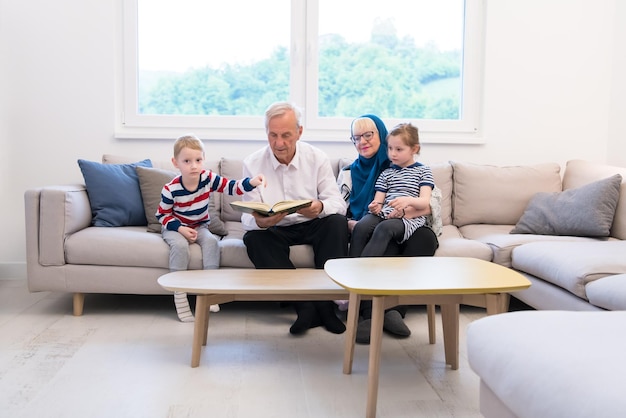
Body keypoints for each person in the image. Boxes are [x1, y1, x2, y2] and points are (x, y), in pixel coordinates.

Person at [241, 102, 349, 335]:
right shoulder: (252, 163)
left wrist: (319, 207)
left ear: (299, 132)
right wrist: (260, 221)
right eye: (273, 135)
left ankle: (325, 305)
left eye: (286, 135)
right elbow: (247, 216)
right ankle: (306, 306)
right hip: (276, 228)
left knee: (337, 223)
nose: (279, 143)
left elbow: (337, 204)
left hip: (312, 223)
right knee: (253, 239)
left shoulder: (317, 157)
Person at [338, 115, 440, 344]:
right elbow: (338, 209)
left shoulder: (413, 168)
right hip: (373, 221)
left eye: (368, 135)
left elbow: (431, 204)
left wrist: (406, 210)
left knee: (423, 238)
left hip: (406, 221)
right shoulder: (349, 172)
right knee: (368, 229)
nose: (362, 141)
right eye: (356, 138)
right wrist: (364, 215)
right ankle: (367, 310)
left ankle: (394, 309)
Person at [157, 134, 265, 322]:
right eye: (187, 161)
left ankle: (210, 291)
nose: (194, 166)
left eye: (198, 160)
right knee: (180, 247)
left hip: (199, 225)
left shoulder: (207, 178)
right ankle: (179, 295)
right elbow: (162, 215)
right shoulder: (171, 188)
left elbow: (233, 187)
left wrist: (252, 182)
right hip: (174, 227)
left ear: (203, 159)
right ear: (176, 163)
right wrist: (181, 229)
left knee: (211, 242)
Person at [349, 122, 434, 257]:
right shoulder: (387, 173)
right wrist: (375, 207)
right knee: (361, 226)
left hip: (409, 219)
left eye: (399, 149)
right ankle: (350, 266)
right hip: (385, 213)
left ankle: (363, 270)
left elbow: (425, 201)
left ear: (414, 149)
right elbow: (378, 201)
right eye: (390, 148)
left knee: (384, 228)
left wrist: (408, 201)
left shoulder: (423, 171)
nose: (393, 154)